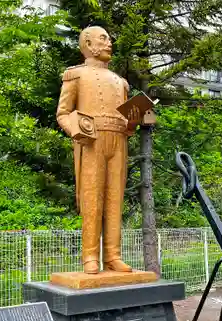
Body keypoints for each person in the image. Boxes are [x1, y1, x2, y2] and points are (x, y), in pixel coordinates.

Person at [56, 25, 141, 274]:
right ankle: (90, 256)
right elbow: (62, 113)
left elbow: (127, 125)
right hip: (91, 141)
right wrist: (76, 130)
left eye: (109, 39)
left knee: (115, 199)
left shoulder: (120, 81)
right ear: (88, 44)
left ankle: (113, 256)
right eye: (103, 39)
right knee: (92, 199)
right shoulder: (76, 76)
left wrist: (133, 122)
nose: (109, 43)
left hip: (118, 142)